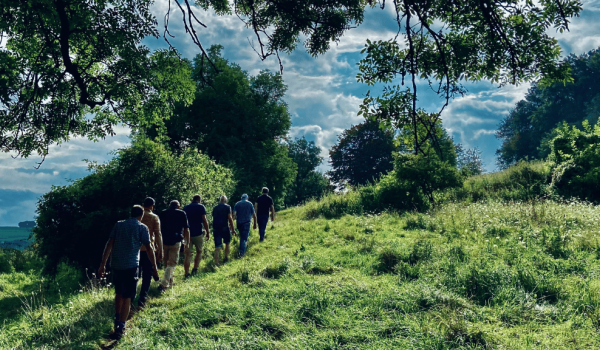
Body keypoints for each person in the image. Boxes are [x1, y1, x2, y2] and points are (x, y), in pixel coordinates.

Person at [98, 205, 159, 340]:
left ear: (130, 213)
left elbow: (109, 244)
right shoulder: (142, 228)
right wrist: (154, 266)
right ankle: (121, 326)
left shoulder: (118, 225)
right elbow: (149, 249)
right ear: (141, 216)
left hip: (117, 265)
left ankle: (117, 318)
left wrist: (103, 264)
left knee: (119, 293)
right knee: (128, 296)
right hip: (131, 266)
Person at [157, 200, 190, 292]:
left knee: (166, 263)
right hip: (176, 241)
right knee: (172, 263)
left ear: (169, 205)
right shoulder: (182, 213)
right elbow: (186, 229)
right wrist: (187, 242)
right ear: (178, 206)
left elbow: (158, 229)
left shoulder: (163, 213)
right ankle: (163, 284)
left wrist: (157, 242)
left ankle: (169, 284)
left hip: (164, 241)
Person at [138, 197, 162, 308]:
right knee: (147, 276)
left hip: (135, 250)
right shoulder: (154, 217)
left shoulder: (138, 216)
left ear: (143, 205)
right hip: (148, 250)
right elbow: (158, 235)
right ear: (152, 206)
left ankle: (129, 298)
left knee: (135, 275)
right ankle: (142, 300)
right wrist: (160, 250)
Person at [183, 194, 210, 277]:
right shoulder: (201, 207)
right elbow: (204, 220)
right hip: (198, 232)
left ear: (193, 199)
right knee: (199, 251)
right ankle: (195, 268)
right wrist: (208, 232)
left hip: (187, 233)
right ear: (199, 200)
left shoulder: (186, 207)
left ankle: (187, 272)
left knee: (188, 254)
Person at [211, 195, 236, 266]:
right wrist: (233, 229)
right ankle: (226, 257)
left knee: (217, 246)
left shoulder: (215, 207)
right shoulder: (228, 207)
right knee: (227, 243)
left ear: (220, 200)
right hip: (225, 227)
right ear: (225, 200)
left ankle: (216, 263)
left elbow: (213, 217)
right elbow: (230, 218)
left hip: (216, 228)